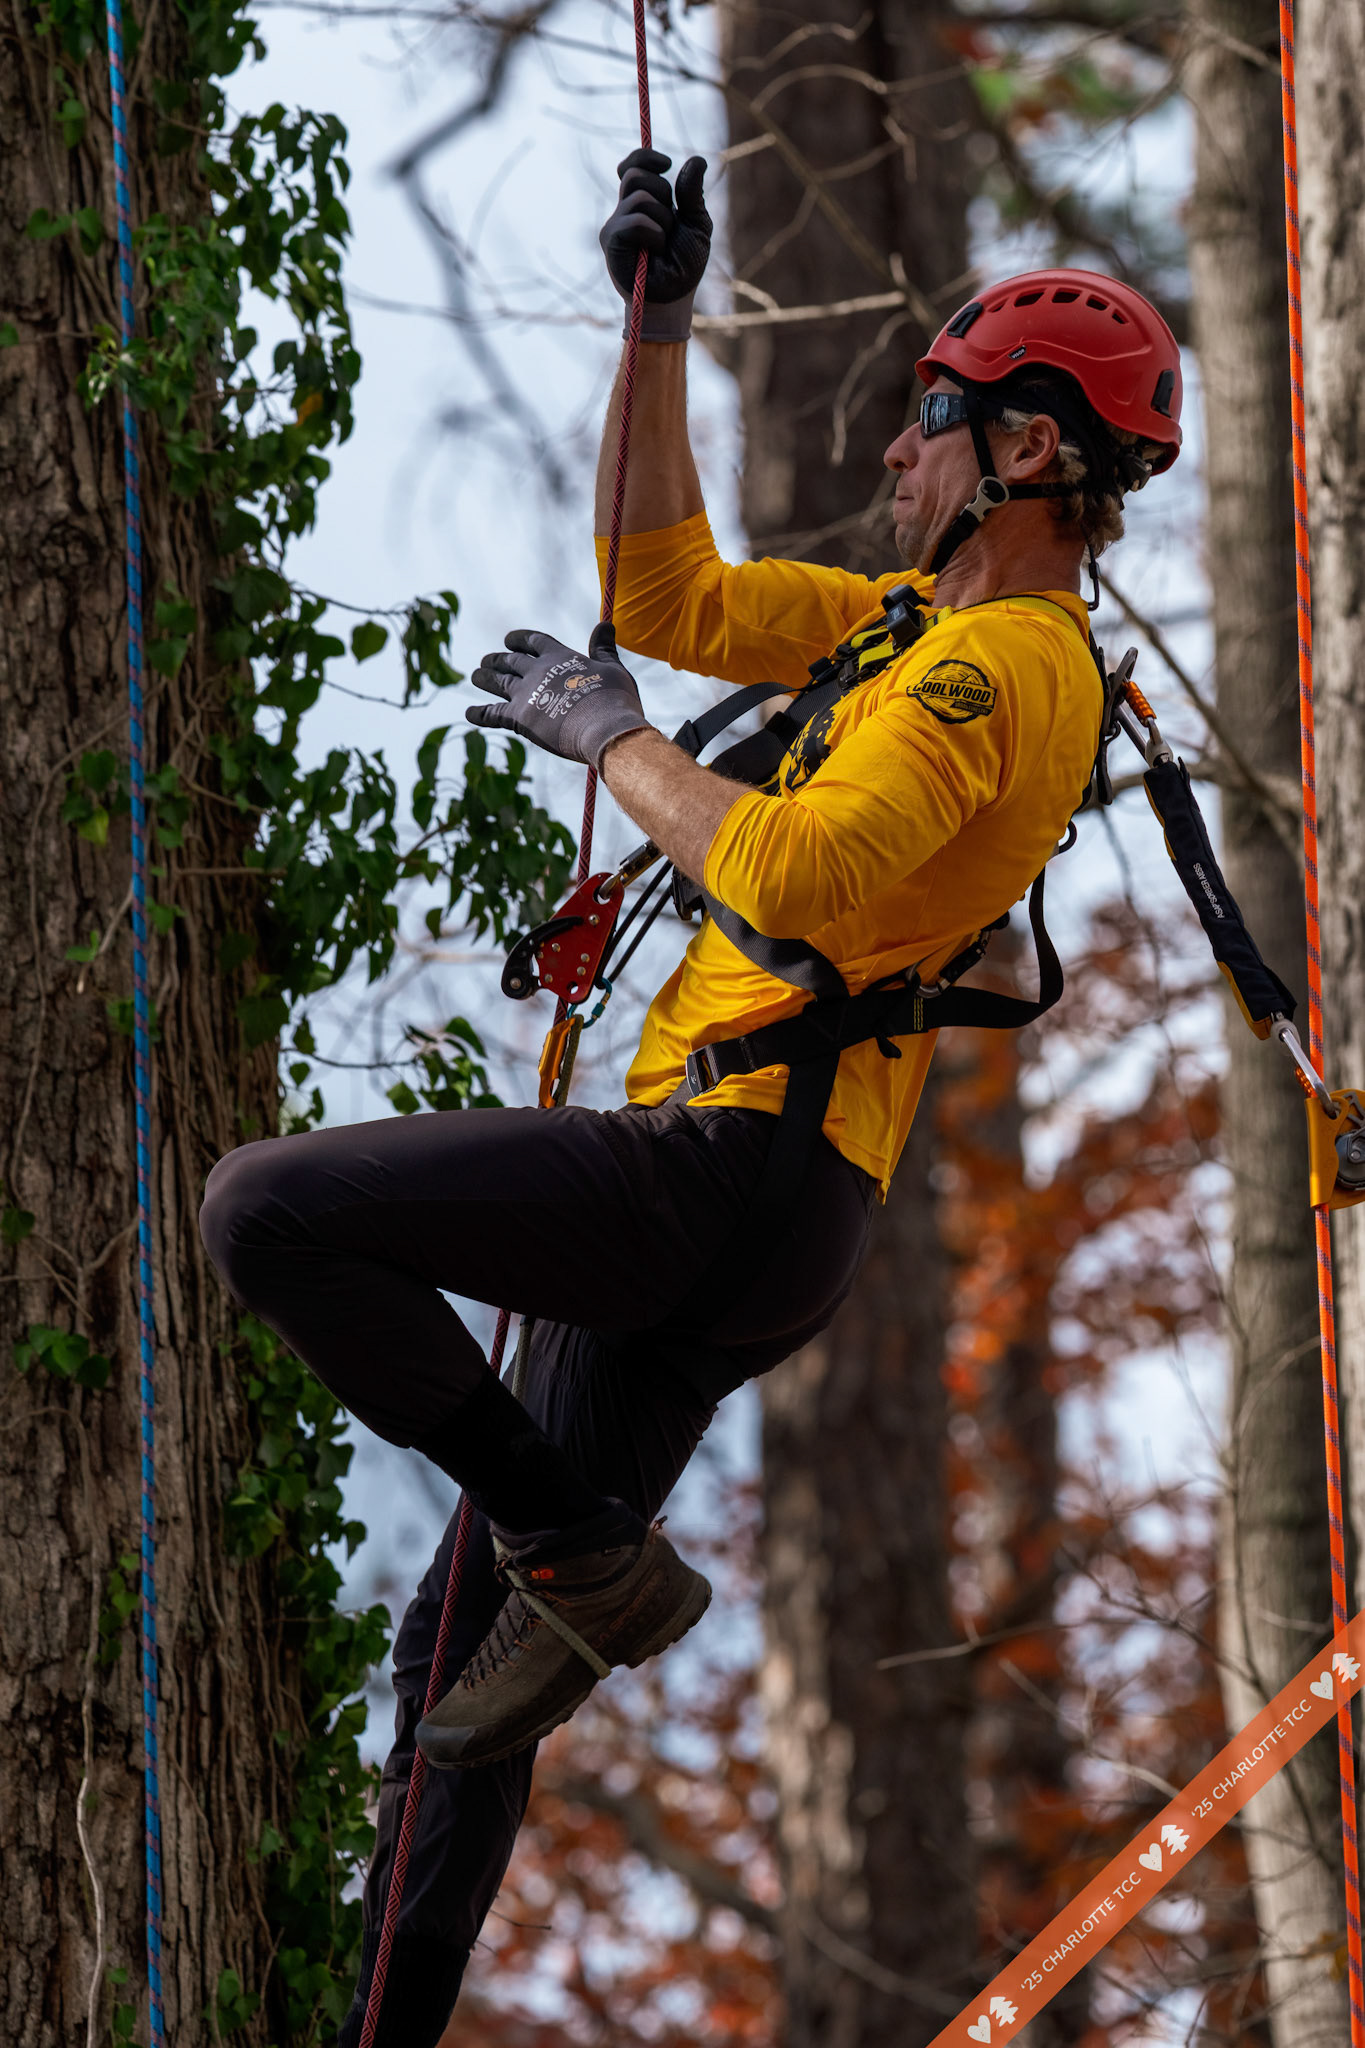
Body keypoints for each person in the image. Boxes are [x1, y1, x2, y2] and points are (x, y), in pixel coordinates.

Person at [198, 149, 1182, 2048]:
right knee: (464, 1678)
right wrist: (658, 323)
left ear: (1032, 457)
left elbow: (801, 876)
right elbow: (661, 581)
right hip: (749, 1202)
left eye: (932, 420)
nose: (898, 453)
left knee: (270, 1210)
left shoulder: (1006, 665)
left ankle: (578, 1541)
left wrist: (610, 736)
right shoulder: (894, 632)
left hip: (736, 1170)